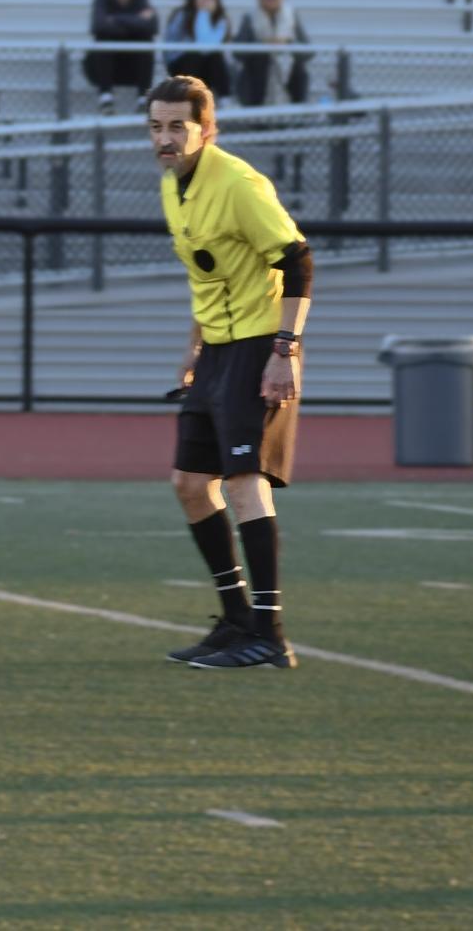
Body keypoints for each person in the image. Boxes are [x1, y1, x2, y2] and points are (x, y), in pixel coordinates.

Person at [149, 76, 313, 672]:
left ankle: (270, 633)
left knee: (245, 482)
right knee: (191, 485)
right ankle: (238, 619)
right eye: (157, 127)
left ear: (206, 129)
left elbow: (298, 261)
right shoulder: (175, 187)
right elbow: (207, 276)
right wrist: (195, 349)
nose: (166, 139)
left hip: (258, 344)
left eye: (178, 127)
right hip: (217, 349)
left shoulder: (239, 183)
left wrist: (284, 351)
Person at [87, 0, 160, 113]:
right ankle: (105, 97)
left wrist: (115, 20)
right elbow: (98, 26)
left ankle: (143, 98)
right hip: (103, 67)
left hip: (131, 66)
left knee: (146, 40)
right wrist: (136, 21)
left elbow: (153, 27)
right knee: (103, 39)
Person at [234, 0, 311, 108]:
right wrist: (262, 46)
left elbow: (308, 52)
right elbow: (237, 53)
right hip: (257, 77)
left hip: (288, 73)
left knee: (299, 70)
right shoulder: (249, 17)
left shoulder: (291, 16)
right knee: (261, 61)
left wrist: (287, 43)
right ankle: (255, 113)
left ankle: (295, 109)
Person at [163, 0, 234, 100]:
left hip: (206, 65)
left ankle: (225, 99)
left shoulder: (220, 20)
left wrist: (204, 14)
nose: (206, 0)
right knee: (194, 53)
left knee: (215, 55)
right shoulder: (182, 14)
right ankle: (187, 97)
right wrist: (202, 13)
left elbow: (209, 46)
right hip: (180, 65)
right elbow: (199, 45)